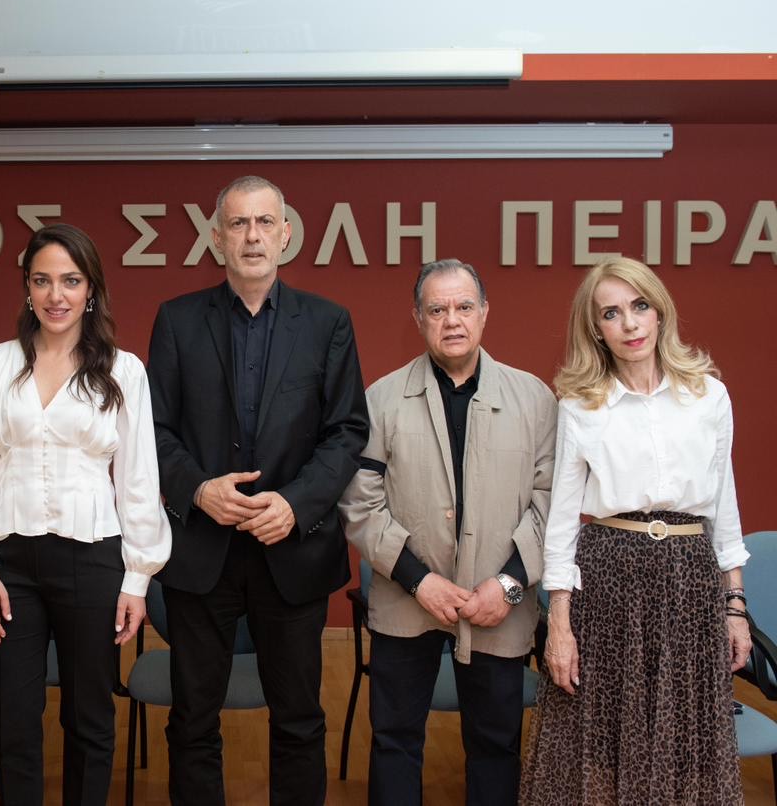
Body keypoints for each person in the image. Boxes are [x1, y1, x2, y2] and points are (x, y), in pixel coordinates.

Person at [146, 175, 369, 806]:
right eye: (238, 223)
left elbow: (347, 430)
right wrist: (197, 489)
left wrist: (295, 504)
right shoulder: (177, 321)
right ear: (217, 238)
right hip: (202, 552)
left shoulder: (327, 323)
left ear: (286, 234)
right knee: (193, 720)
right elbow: (152, 430)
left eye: (264, 222)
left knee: (298, 720)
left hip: (291, 552)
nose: (252, 236)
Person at [0, 223, 171, 806]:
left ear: (91, 289)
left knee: (89, 717)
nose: (56, 295)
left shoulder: (124, 371)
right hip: (9, 566)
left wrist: (137, 579)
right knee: (12, 719)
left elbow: (139, 482)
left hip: (93, 561)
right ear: (26, 288)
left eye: (71, 281)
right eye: (42, 280)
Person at [520, 256, 751, 805]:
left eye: (639, 306)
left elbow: (724, 507)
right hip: (607, 583)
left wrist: (735, 606)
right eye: (611, 313)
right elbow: (562, 523)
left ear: (659, 311)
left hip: (690, 586)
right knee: (600, 742)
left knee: (686, 746)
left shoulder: (709, 396)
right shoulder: (581, 406)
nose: (629, 323)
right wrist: (559, 625)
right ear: (596, 328)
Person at [339, 259, 556, 805]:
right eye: (437, 309)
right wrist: (420, 581)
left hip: (498, 606)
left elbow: (552, 504)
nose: (452, 320)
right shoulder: (381, 399)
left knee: (496, 745)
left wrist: (508, 586)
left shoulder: (534, 400)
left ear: (484, 312)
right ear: (418, 318)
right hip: (406, 598)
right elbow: (361, 504)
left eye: (463, 306)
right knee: (394, 741)